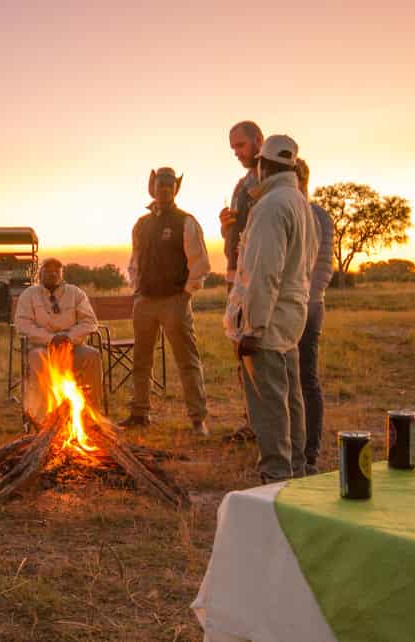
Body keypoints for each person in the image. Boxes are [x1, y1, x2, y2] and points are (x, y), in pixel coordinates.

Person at [224, 135, 320, 482]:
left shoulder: (270, 206)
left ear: (263, 165)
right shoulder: (299, 201)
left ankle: (276, 475)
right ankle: (295, 468)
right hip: (291, 315)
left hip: (268, 320)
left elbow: (264, 272)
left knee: (269, 403)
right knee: (291, 398)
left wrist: (252, 327)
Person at [120, 167, 211, 435]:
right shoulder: (141, 224)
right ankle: (139, 413)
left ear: (175, 190)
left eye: (170, 187)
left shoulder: (186, 221)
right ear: (153, 187)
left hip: (174, 300)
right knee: (141, 359)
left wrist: (186, 295)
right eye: (161, 185)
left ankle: (198, 419)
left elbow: (200, 262)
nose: (165, 190)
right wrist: (137, 288)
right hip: (145, 300)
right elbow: (135, 260)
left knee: (187, 360)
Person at [14, 258, 102, 424]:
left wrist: (69, 337)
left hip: (73, 346)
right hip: (42, 347)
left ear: (62, 273)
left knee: (92, 355)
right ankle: (43, 417)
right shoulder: (29, 295)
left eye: (57, 269)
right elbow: (22, 324)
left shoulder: (75, 293)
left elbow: (90, 322)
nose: (52, 272)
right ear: (40, 273)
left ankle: (91, 415)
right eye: (48, 269)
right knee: (38, 358)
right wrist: (50, 339)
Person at [219, 120, 264, 443]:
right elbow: (235, 233)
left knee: (260, 349)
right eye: (233, 147)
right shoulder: (240, 185)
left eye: (241, 145)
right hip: (234, 275)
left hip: (255, 276)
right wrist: (225, 227)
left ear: (258, 141)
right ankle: (252, 420)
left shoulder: (271, 180)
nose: (236, 152)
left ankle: (266, 424)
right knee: (241, 351)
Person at [296, 159, 335, 475]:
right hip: (307, 303)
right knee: (298, 378)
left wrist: (307, 298)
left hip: (304, 306)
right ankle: (299, 449)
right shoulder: (317, 214)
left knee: (305, 378)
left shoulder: (315, 215)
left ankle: (308, 451)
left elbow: (323, 267)